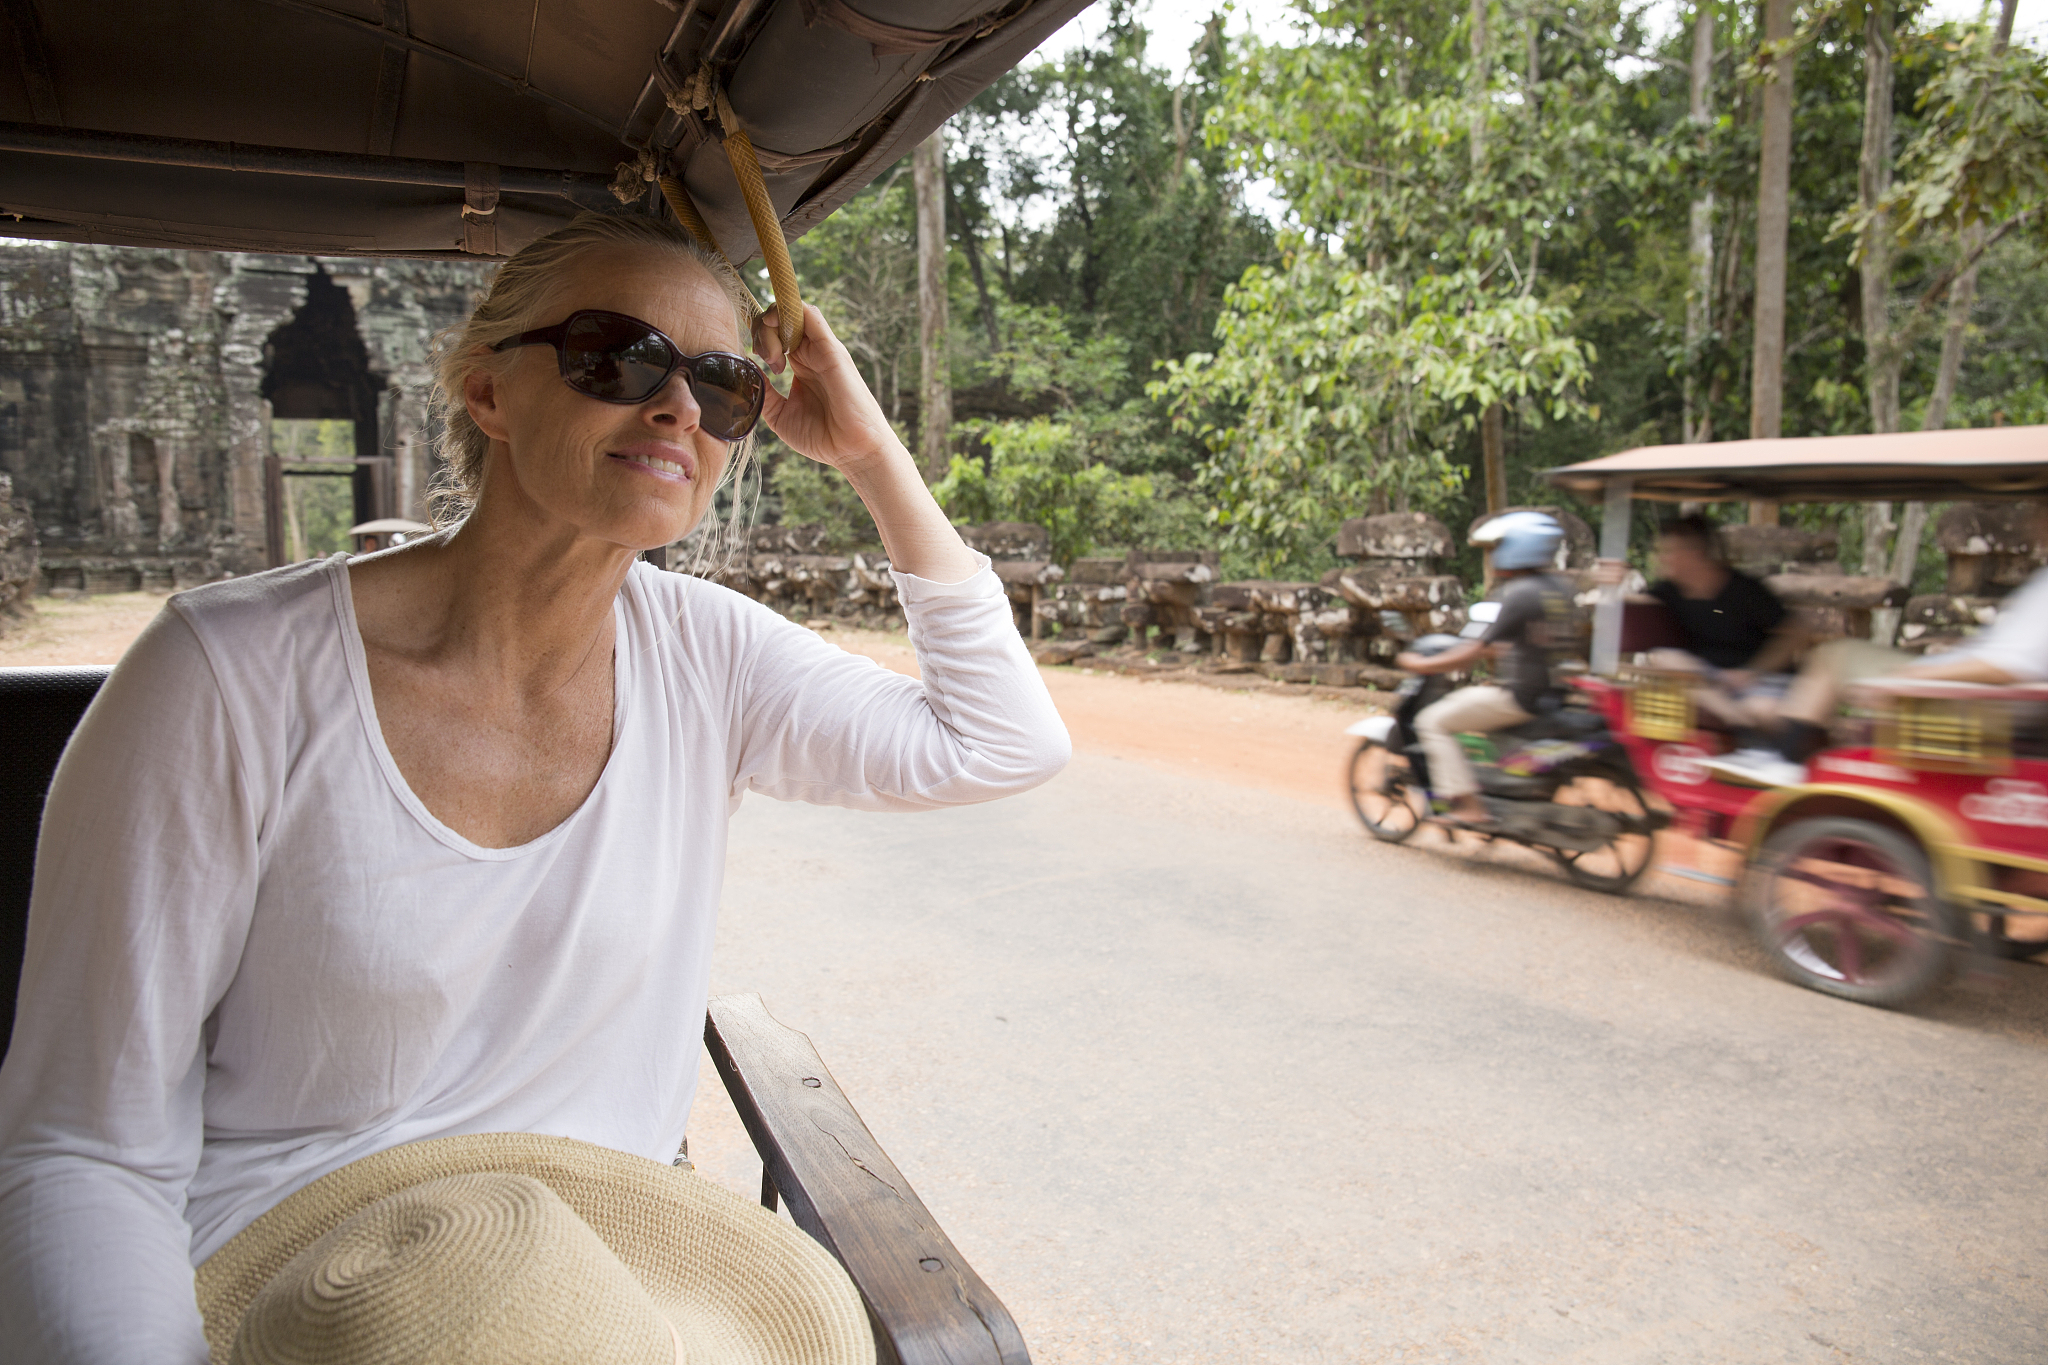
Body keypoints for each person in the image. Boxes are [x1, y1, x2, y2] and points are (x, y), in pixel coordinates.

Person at [0, 211, 1070, 1363]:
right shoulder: (228, 677)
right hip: (304, 1293)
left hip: (601, 1291)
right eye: (616, 356)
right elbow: (84, 1145)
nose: (677, 408)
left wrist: (868, 453)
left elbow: (997, 741)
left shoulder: (708, 656)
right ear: (488, 393)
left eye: (724, 388)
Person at [1706, 500, 2048, 785]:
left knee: (1834, 655)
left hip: (1976, 704)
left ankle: (1785, 760)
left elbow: (2010, 666)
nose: (2031, 522)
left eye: (2039, 513)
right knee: (1834, 654)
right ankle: (1790, 752)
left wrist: (1913, 677)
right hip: (1968, 687)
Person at [1397, 512, 1574, 828]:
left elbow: (1475, 650)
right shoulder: (1560, 589)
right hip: (1553, 694)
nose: (1494, 555)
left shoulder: (1520, 593)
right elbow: (1519, 643)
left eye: (1499, 546)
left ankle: (1468, 806)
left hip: (1519, 697)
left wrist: (1420, 664)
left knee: (1431, 721)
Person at [1643, 514, 1801, 699]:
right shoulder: (1666, 592)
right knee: (1667, 658)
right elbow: (1631, 604)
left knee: (1762, 707)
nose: (1662, 558)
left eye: (1669, 551)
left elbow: (1796, 633)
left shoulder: (1744, 590)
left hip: (1756, 684)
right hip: (1705, 683)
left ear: (1695, 552)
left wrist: (1753, 672)